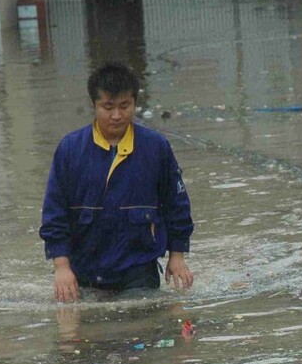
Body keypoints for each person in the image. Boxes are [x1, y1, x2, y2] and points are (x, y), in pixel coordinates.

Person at [40, 62, 194, 302]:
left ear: (135, 103)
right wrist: (61, 266)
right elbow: (55, 212)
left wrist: (177, 255)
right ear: (94, 104)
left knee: (145, 320)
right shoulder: (70, 150)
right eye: (108, 107)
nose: (116, 115)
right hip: (84, 271)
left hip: (138, 269)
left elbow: (177, 204)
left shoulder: (156, 147)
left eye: (124, 106)